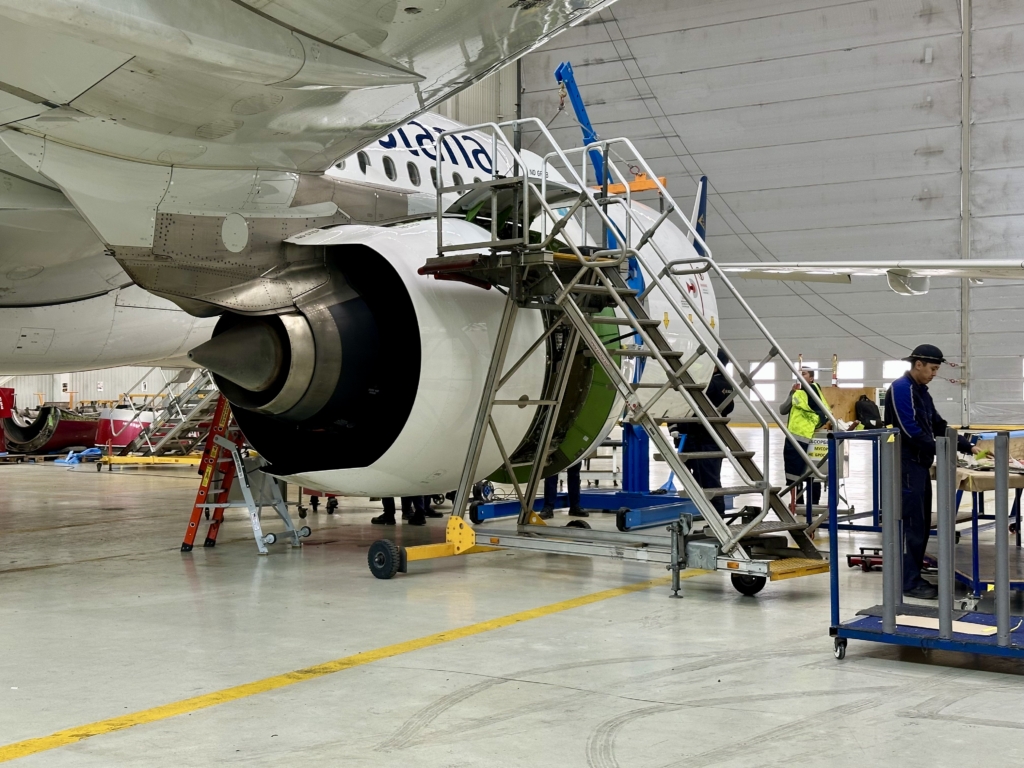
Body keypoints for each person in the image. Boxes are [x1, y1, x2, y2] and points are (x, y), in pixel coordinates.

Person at [885, 344, 976, 600]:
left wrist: (968, 446)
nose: (934, 374)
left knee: (922, 523)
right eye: (933, 369)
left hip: (919, 464)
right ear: (918, 364)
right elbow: (910, 429)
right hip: (904, 464)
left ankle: (912, 575)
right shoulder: (901, 389)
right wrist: (942, 449)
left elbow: (937, 424)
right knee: (913, 524)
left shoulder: (921, 392)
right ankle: (908, 582)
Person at [671, 348, 735, 515]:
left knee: (708, 482)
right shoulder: (725, 383)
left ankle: (717, 519)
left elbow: (686, 405)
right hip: (707, 438)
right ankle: (713, 518)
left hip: (701, 440)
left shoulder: (712, 384)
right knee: (706, 480)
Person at [781, 367, 830, 505]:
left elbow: (822, 411)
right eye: (798, 374)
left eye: (804, 374)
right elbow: (782, 410)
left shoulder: (814, 391)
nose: (800, 376)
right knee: (797, 471)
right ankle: (798, 503)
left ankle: (813, 504)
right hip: (797, 436)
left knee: (812, 471)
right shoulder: (797, 393)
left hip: (811, 436)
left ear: (811, 378)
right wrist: (792, 393)